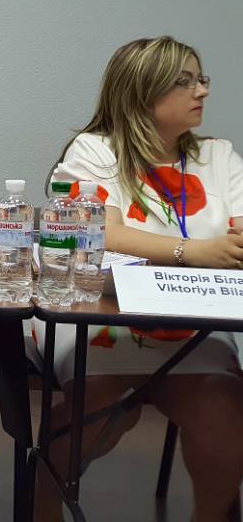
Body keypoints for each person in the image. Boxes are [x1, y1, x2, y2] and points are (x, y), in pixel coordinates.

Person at [37, 36, 243, 522]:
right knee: (102, 406)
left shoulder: (218, 156)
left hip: (194, 326)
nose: (202, 91)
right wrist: (197, 252)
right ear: (143, 92)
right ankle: (41, 507)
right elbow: (102, 231)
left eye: (201, 79)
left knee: (223, 407)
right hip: (101, 315)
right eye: (185, 81)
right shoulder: (95, 151)